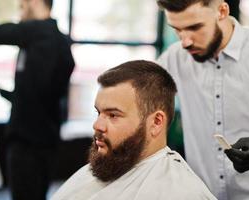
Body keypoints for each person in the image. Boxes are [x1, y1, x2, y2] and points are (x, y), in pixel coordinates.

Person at [156, 0, 249, 199]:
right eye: (177, 30)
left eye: (194, 27)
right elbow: (140, 92)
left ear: (222, 11)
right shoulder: (174, 58)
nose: (185, 41)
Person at [50, 60, 217, 200]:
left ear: (156, 122)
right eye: (98, 112)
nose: (97, 125)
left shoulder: (183, 193)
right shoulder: (102, 168)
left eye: (113, 115)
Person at [0, 0, 75, 199]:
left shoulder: (40, 32)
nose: (20, 14)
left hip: (28, 142)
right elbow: (32, 97)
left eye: (22, 6)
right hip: (44, 140)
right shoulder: (55, 41)